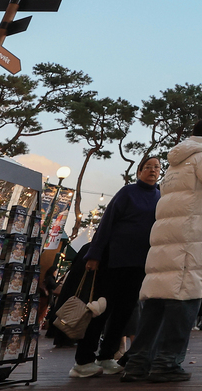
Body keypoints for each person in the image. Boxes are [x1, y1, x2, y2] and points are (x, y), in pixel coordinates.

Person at [122, 119, 202, 384]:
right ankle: (166, 364)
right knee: (184, 304)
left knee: (155, 306)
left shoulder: (176, 164)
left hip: (164, 246)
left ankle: (137, 364)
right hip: (189, 247)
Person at [70, 155, 163, 377]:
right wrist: (95, 254)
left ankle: (106, 356)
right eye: (148, 167)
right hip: (114, 260)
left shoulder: (161, 197)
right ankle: (83, 361)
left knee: (124, 312)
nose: (152, 170)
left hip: (140, 264)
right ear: (139, 171)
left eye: (157, 167)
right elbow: (106, 222)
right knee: (100, 309)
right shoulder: (127, 192)